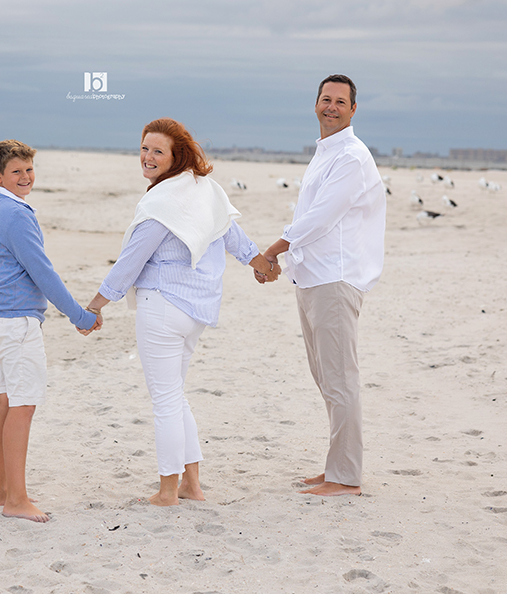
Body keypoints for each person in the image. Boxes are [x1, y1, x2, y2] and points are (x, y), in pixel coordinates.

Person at [85, 118, 280, 506]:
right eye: (144, 148)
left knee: (165, 401)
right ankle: (191, 484)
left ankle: (167, 491)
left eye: (158, 151)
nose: (148, 157)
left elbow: (130, 262)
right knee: (175, 396)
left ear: (176, 156)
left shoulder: (162, 203)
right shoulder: (204, 188)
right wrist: (259, 263)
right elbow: (231, 233)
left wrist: (95, 305)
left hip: (163, 307)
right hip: (195, 311)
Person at [0, 140, 100, 522]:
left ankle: (1, 489)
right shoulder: (17, 215)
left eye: (29, 170)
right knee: (22, 405)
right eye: (16, 172)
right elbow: (42, 272)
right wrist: (79, 316)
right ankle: (16, 500)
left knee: (5, 401)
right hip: (16, 321)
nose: (25, 177)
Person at [259, 75, 386, 496]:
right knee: (327, 378)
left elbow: (319, 218)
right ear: (315, 104)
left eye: (340, 101)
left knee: (340, 378)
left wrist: (272, 251)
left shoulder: (352, 156)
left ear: (353, 110)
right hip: (313, 277)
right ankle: (337, 467)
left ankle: (345, 477)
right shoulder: (326, 152)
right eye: (326, 99)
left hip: (336, 278)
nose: (331, 106)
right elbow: (311, 216)